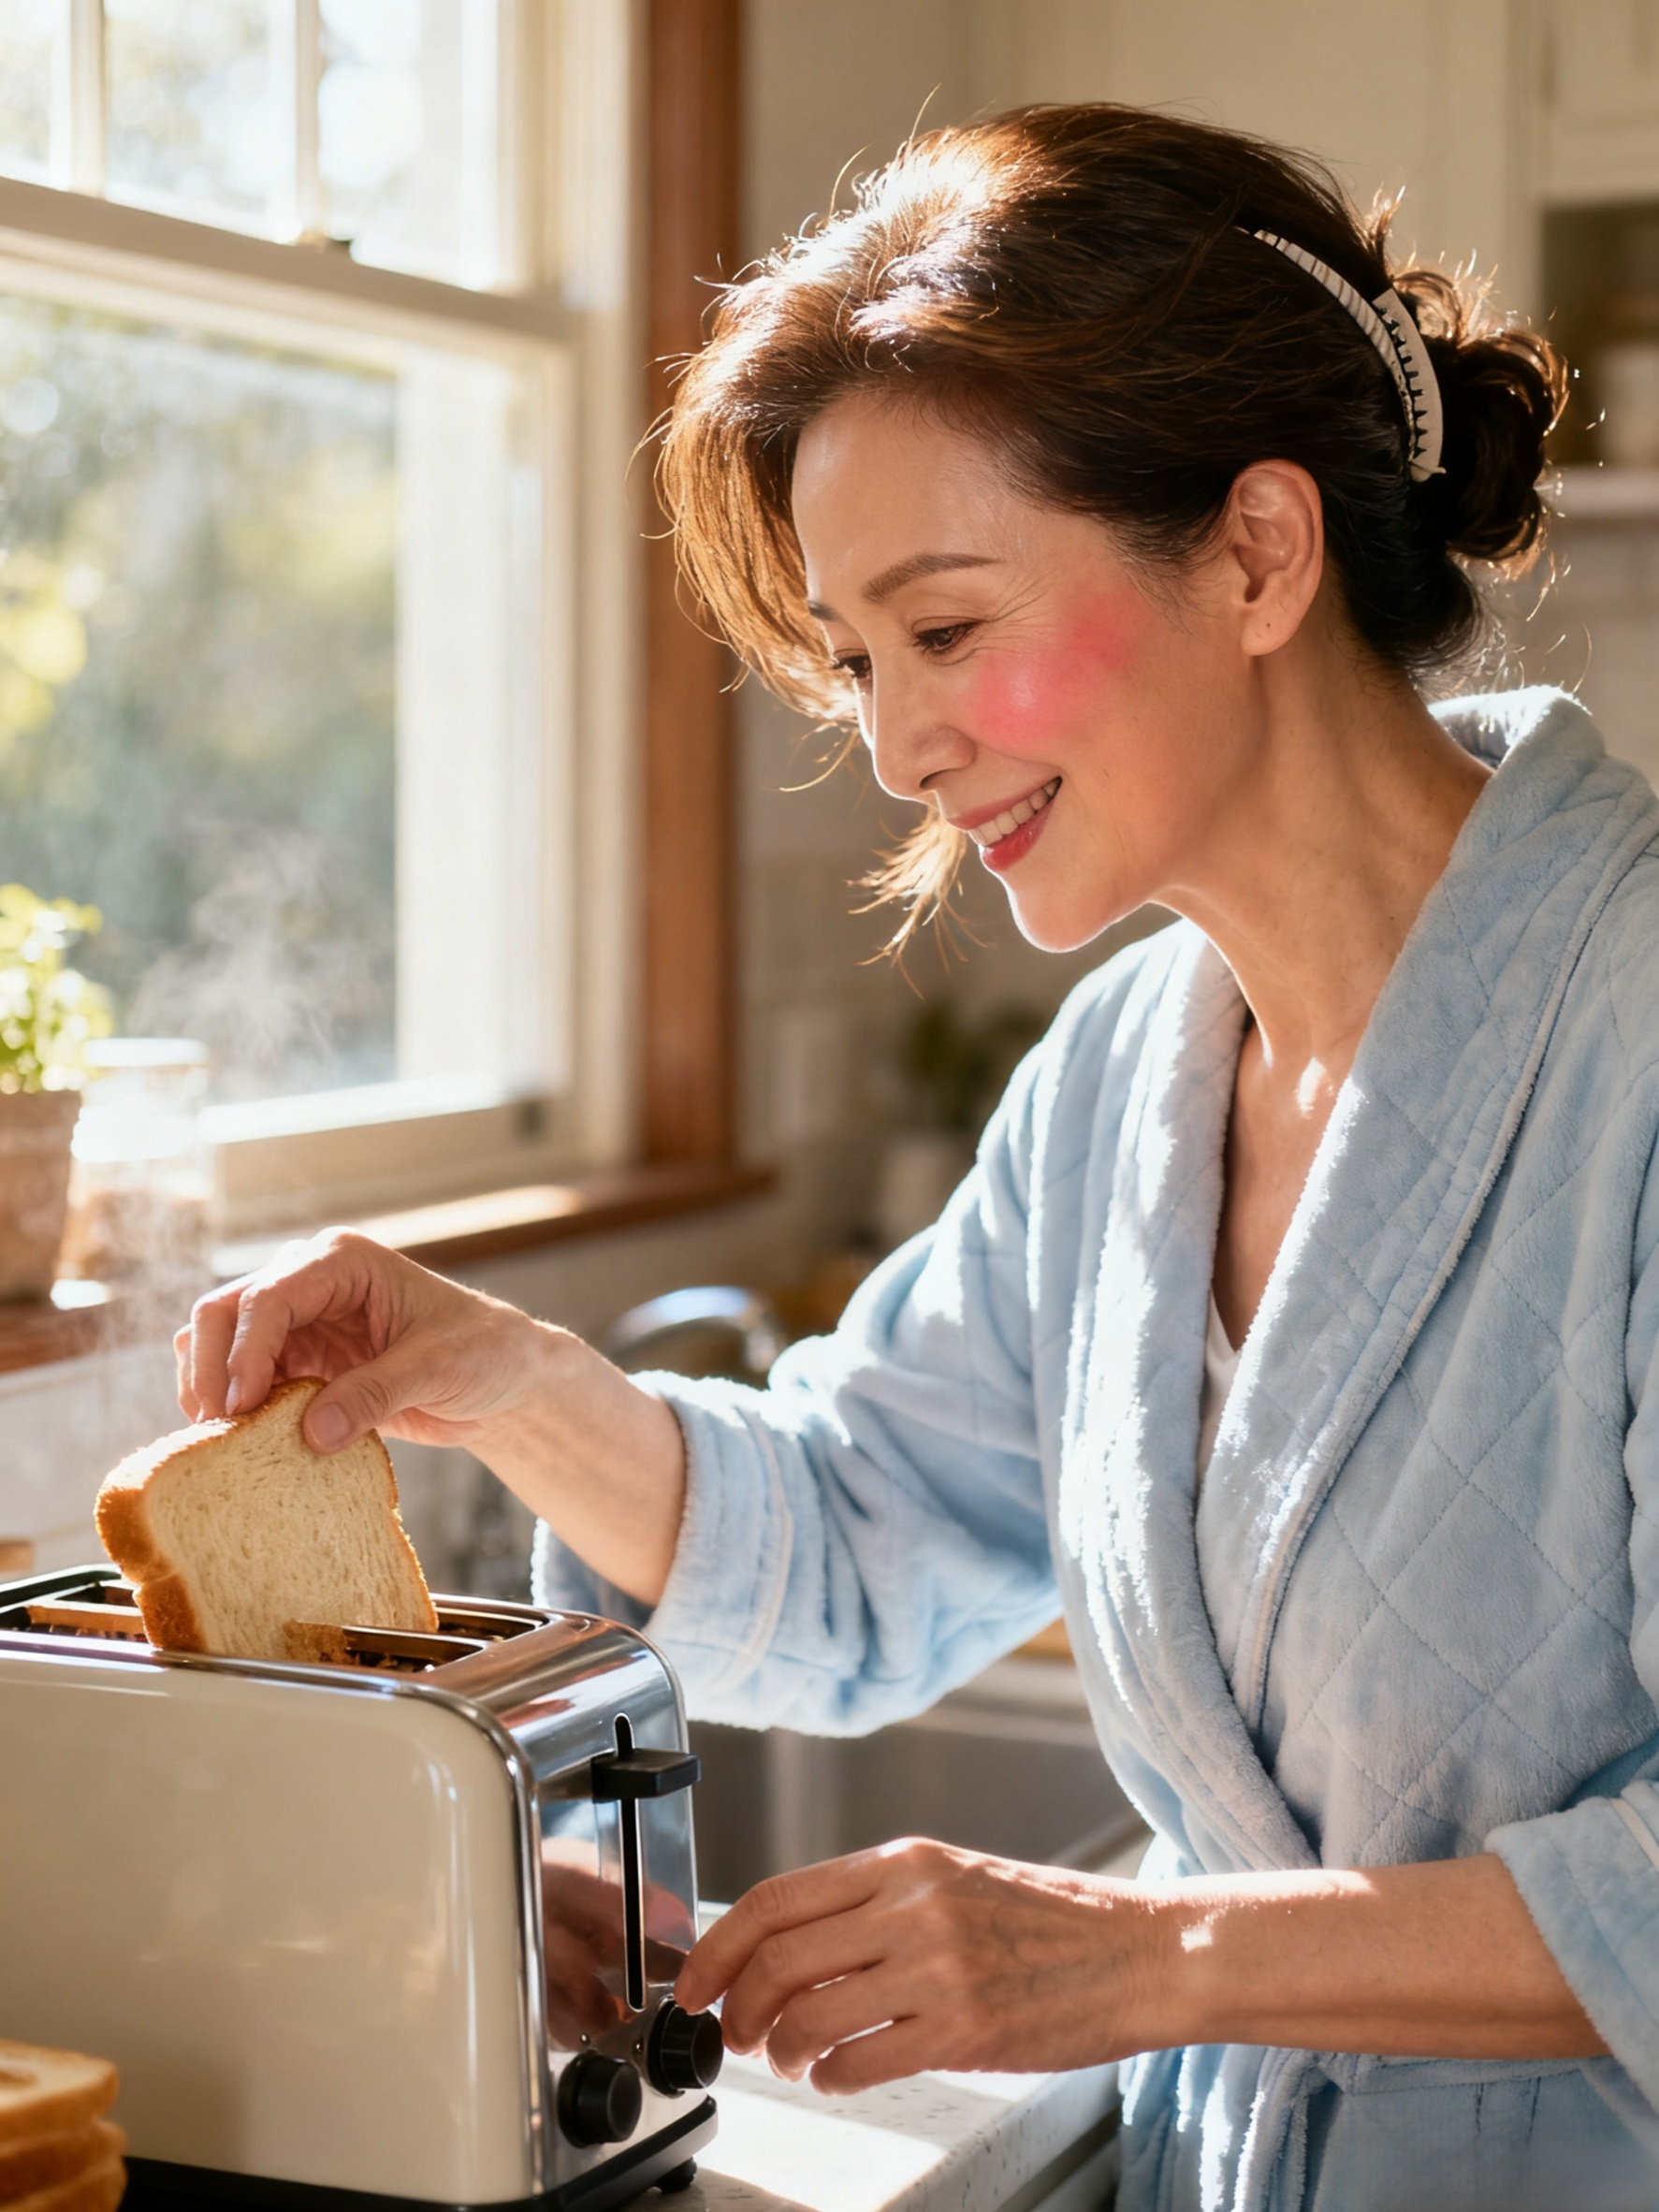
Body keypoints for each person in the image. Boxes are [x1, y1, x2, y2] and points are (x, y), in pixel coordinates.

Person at [177, 107, 1659, 2210]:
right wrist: (507, 1377)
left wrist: (1130, 1958)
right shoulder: (1123, 1079)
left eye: (943, 631)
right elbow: (862, 1540)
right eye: (857, 663)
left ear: (1256, 550)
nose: (892, 745)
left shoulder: (1637, 1024)